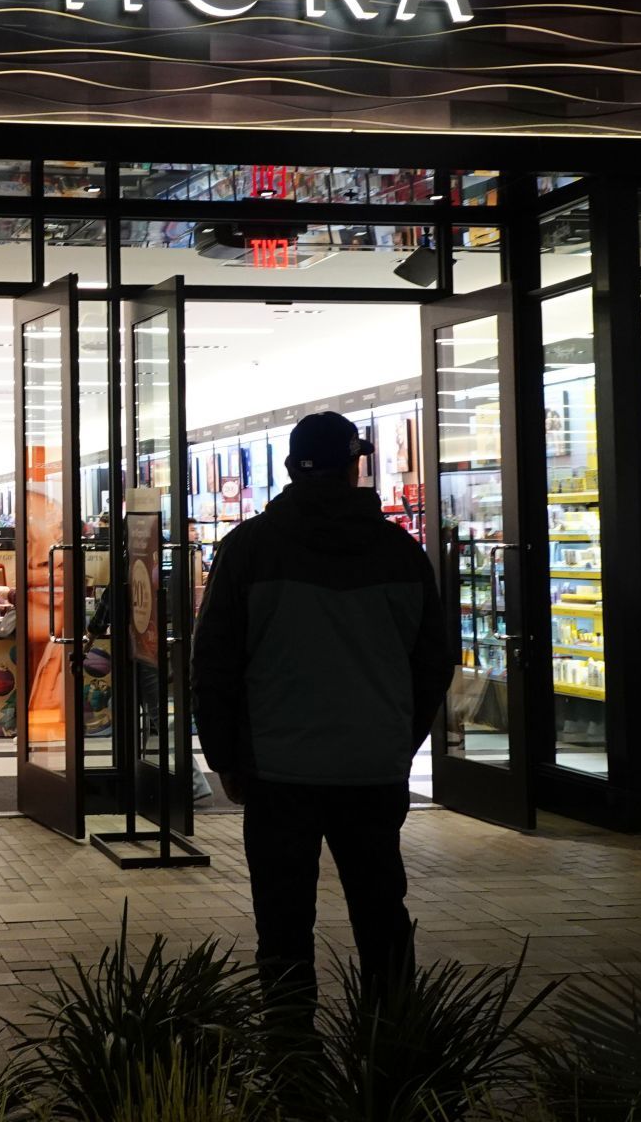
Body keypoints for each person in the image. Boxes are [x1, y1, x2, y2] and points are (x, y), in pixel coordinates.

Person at [192, 412, 452, 1006]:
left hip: (278, 771)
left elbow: (214, 664)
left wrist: (227, 757)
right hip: (371, 768)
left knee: (281, 927)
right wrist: (396, 740)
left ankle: (292, 1063)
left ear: (288, 468)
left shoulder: (248, 550)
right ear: (355, 466)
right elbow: (434, 663)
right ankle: (392, 1053)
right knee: (383, 914)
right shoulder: (400, 553)